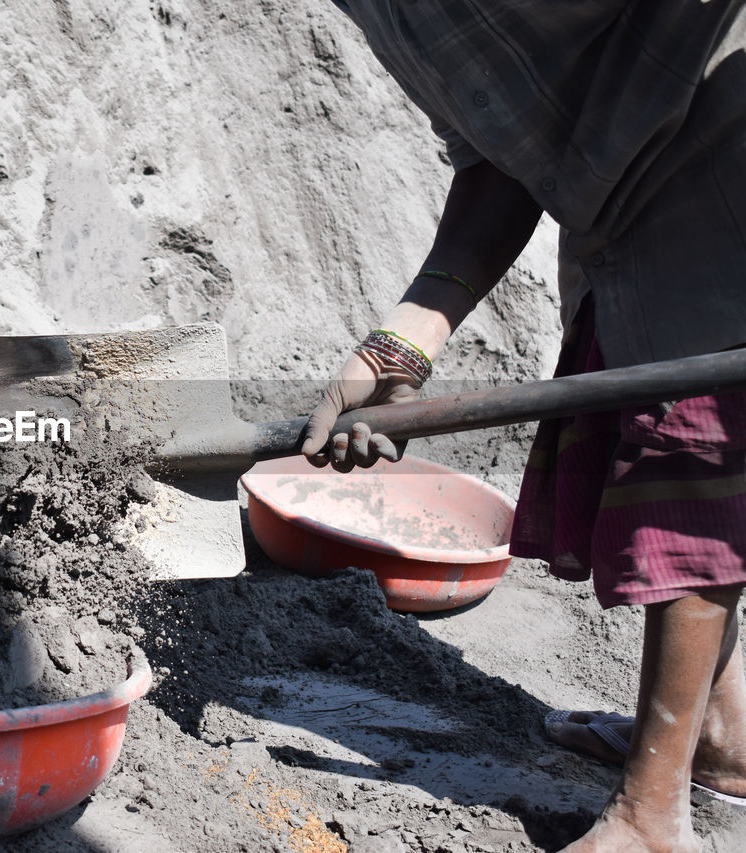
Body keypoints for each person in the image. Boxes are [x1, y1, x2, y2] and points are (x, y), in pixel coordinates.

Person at [301, 3, 746, 851]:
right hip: (620, 212)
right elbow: (505, 158)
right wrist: (404, 344)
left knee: (691, 467)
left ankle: (652, 817)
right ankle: (722, 742)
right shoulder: (390, 13)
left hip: (724, 163)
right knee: (656, 433)